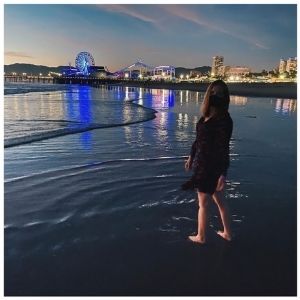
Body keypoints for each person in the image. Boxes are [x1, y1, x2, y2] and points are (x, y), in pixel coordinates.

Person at [182, 80, 233, 244]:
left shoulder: (224, 119)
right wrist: (191, 157)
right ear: (208, 94)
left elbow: (224, 148)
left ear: (225, 97)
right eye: (213, 92)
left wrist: (222, 174)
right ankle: (227, 233)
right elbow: (198, 140)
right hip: (201, 163)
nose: (216, 95)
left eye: (220, 93)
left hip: (211, 167)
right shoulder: (206, 115)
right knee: (219, 201)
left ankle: (201, 237)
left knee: (203, 203)